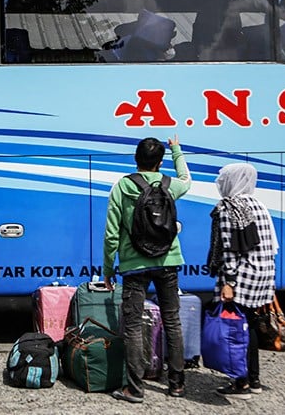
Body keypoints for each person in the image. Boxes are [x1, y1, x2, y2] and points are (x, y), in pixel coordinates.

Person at [103, 135, 191, 403]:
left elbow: (111, 234)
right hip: (168, 261)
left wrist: (109, 267)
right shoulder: (170, 185)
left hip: (134, 265)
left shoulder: (122, 187)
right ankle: (176, 384)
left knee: (132, 325)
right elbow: (187, 180)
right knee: (172, 320)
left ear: (135, 159)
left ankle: (135, 388)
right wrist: (177, 150)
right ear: (160, 162)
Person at [208, 163, 277, 400]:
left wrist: (229, 282)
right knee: (247, 324)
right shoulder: (259, 205)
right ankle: (254, 379)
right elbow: (271, 245)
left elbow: (230, 250)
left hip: (241, 275)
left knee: (237, 330)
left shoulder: (228, 208)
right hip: (263, 273)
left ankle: (242, 383)